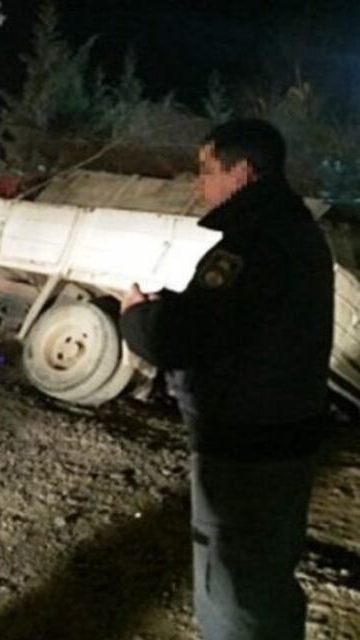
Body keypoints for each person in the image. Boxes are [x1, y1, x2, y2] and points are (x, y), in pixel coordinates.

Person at [119, 118, 333, 639]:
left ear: (241, 172)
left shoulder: (250, 243)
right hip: (286, 439)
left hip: (245, 449)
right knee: (268, 581)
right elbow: (238, 323)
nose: (200, 185)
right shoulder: (293, 231)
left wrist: (136, 315)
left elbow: (177, 340)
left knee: (234, 589)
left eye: (207, 170)